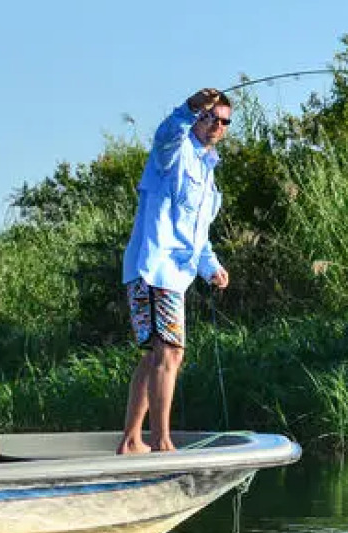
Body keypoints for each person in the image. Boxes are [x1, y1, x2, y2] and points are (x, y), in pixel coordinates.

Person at [118, 87, 232, 455]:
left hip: (175, 275)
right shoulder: (175, 152)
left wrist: (211, 267)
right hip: (155, 268)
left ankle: (133, 440)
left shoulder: (208, 173)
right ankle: (160, 441)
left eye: (223, 121)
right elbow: (167, 134)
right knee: (170, 354)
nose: (216, 125)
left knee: (156, 355)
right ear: (198, 118)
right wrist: (189, 108)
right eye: (210, 117)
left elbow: (198, 236)